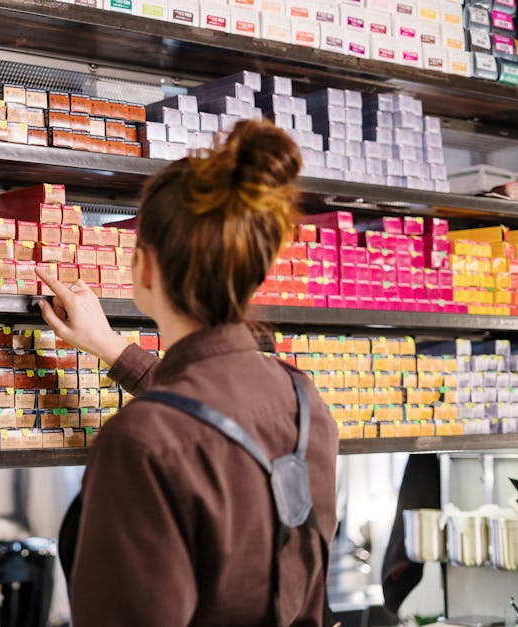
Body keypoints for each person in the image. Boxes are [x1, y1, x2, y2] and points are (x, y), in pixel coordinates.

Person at [33, 118, 340, 627]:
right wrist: (111, 347)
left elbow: (188, 435)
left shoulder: (139, 443)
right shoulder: (303, 403)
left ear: (144, 266)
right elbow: (210, 424)